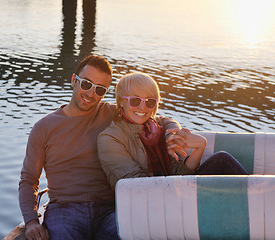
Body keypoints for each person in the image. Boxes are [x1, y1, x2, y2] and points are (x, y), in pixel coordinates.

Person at [18, 56, 183, 240]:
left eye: (100, 89)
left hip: (111, 208)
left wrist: (172, 133)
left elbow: (159, 120)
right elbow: (28, 180)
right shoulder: (44, 127)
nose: (91, 94)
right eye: (86, 84)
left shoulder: (112, 114)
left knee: (140, 233)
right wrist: (31, 221)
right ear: (74, 80)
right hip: (65, 209)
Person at [97, 72, 248, 190]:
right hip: (145, 203)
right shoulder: (109, 139)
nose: (143, 107)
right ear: (121, 101)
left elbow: (181, 173)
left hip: (173, 191)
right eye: (135, 100)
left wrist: (199, 147)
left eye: (150, 101)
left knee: (222, 159)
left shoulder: (157, 128)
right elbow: (138, 184)